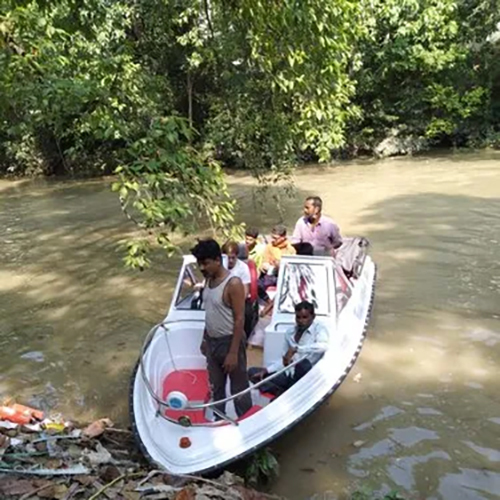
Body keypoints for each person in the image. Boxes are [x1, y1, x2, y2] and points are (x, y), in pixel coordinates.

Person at [191, 239, 252, 418]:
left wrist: (233, 353)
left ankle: (246, 421)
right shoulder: (208, 281)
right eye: (199, 263)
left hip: (229, 341)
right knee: (216, 387)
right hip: (212, 342)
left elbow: (240, 319)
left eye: (206, 263)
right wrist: (204, 339)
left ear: (218, 260)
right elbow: (210, 312)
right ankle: (219, 419)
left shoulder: (233, 284)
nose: (202, 268)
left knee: (238, 388)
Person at [248, 301, 328, 396]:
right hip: (289, 375)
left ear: (313, 317)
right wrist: (268, 370)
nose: (301, 321)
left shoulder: (319, 329)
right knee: (253, 372)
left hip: (306, 379)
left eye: (305, 317)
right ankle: (282, 393)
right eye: (298, 317)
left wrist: (298, 349)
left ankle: (285, 394)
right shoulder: (290, 333)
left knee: (303, 365)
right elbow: (285, 360)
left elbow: (323, 346)